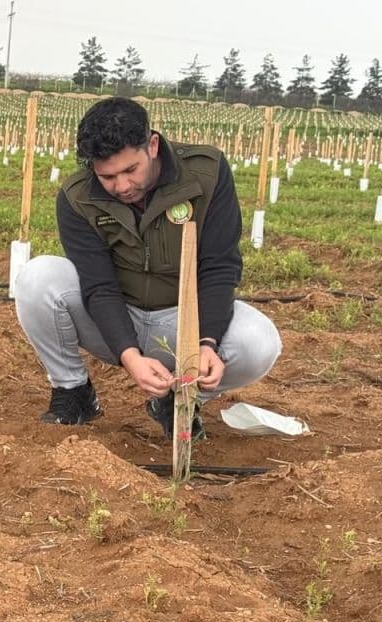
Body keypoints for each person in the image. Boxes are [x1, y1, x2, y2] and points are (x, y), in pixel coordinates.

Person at [14, 97, 281, 439]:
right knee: (37, 278)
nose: (122, 186)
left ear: (152, 145)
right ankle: (73, 391)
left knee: (259, 341)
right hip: (114, 318)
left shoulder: (206, 174)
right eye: (107, 176)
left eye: (130, 170)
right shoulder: (77, 197)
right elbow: (99, 286)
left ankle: (179, 398)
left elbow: (219, 265)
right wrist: (129, 357)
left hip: (182, 318)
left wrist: (206, 343)